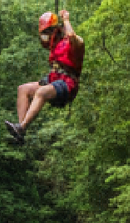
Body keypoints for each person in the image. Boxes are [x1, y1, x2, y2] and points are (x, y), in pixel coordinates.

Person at [6, 9, 83, 144]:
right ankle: (20, 131)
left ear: (55, 31)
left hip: (68, 85)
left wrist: (65, 19)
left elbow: (71, 36)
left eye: (47, 33)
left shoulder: (76, 44)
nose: (45, 37)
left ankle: (22, 127)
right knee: (23, 89)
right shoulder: (56, 46)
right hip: (55, 82)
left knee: (41, 92)